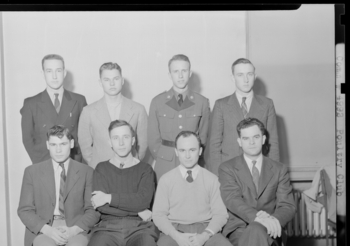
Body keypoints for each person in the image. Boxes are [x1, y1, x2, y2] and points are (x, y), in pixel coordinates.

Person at [18, 125, 99, 246]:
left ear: (72, 144)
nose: (59, 149)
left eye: (63, 144)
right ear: (48, 145)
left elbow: (93, 210)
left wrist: (73, 230)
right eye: (54, 145)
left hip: (76, 228)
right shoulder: (32, 172)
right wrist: (47, 230)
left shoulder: (87, 172)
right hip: (44, 229)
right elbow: (24, 210)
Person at [152, 131, 237, 246]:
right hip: (174, 231)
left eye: (192, 150)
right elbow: (158, 215)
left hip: (205, 229)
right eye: (182, 150)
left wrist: (204, 235)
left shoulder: (212, 179)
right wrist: (176, 236)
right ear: (176, 152)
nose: (187, 155)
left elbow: (220, 215)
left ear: (200, 151)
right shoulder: (166, 180)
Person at [218, 118, 295, 246]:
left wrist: (273, 220)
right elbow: (232, 199)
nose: (251, 142)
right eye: (246, 138)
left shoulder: (279, 169)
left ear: (264, 138)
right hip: (239, 229)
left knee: (257, 232)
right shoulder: (227, 168)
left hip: (272, 229)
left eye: (256, 137)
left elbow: (288, 206)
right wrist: (259, 218)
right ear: (239, 141)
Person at [84, 120, 159, 246]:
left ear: (133, 140)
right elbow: (101, 207)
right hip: (107, 229)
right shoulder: (101, 168)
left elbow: (144, 200)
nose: (121, 142)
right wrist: (137, 210)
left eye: (125, 137)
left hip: (139, 230)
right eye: (116, 138)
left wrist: (109, 198)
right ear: (110, 142)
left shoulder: (145, 170)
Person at [207, 58, 279, 176]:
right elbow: (214, 145)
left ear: (254, 76)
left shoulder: (267, 104)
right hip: (229, 171)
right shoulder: (221, 105)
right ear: (233, 78)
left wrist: (275, 175)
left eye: (249, 74)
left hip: (259, 171)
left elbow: (273, 144)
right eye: (240, 75)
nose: (246, 80)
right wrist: (218, 175)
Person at [148, 54, 210, 182]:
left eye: (184, 71)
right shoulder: (157, 102)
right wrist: (163, 156)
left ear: (190, 73)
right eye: (176, 71)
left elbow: (204, 136)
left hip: (192, 161)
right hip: (166, 163)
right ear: (170, 74)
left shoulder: (202, 102)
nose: (180, 76)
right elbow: (153, 138)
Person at [78, 62, 148, 169]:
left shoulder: (138, 109)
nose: (112, 83)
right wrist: (96, 164)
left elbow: (143, 144)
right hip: (100, 172)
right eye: (106, 80)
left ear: (122, 80)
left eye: (116, 79)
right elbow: (85, 145)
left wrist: (134, 161)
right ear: (100, 82)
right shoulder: (88, 111)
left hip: (130, 169)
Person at [20, 54, 87, 164]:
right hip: (44, 165)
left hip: (73, 164)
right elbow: (27, 139)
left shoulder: (79, 101)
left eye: (58, 71)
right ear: (43, 74)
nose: (54, 76)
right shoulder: (31, 104)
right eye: (49, 71)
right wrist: (40, 165)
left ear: (64, 73)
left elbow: (85, 137)